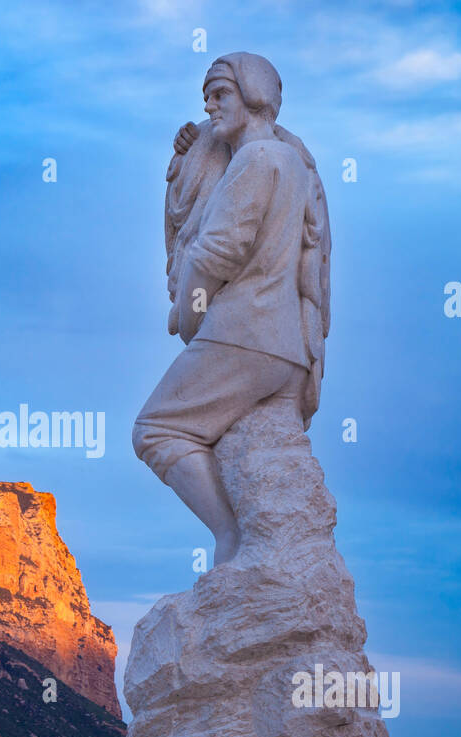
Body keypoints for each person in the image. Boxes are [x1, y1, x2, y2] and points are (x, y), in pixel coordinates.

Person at [134, 53, 330, 566]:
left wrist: (192, 318)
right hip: (287, 349)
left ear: (254, 94)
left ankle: (232, 540)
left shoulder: (254, 161)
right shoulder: (293, 163)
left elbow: (215, 254)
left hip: (243, 335)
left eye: (221, 94)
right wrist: (196, 141)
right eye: (208, 96)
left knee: (156, 429)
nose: (210, 104)